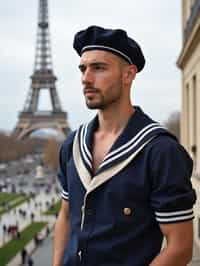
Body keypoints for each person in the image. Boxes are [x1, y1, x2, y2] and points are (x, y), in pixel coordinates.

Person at [53, 25, 196, 266]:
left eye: (98, 68)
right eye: (83, 68)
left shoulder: (161, 151)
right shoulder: (72, 145)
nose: (86, 79)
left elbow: (180, 248)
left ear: (128, 74)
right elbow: (66, 215)